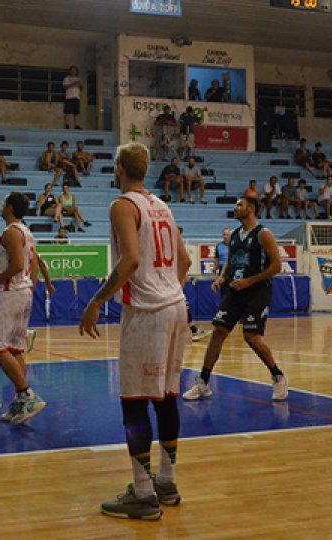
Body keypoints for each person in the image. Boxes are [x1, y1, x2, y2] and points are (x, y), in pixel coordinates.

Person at [79, 141, 191, 521]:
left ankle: (143, 494)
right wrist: (168, 288)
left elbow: (131, 259)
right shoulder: (164, 206)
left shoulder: (122, 205)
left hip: (148, 313)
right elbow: (186, 260)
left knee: (134, 402)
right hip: (177, 306)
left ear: (119, 169)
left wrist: (96, 300)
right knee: (167, 396)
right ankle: (167, 482)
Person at [183, 196, 289, 402]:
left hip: (257, 290)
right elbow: (230, 263)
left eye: (239, 205)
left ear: (251, 209)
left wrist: (249, 282)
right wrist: (222, 278)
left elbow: (276, 266)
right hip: (235, 289)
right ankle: (203, 382)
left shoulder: (263, 234)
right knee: (218, 332)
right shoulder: (233, 236)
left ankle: (278, 375)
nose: (235, 208)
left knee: (251, 336)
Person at [0, 192, 47, 424]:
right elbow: (35, 262)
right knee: (16, 349)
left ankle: (27, 394)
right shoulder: (26, 231)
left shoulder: (11, 232)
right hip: (23, 292)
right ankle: (20, 403)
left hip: (11, 293)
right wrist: (31, 288)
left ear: (9, 207)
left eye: (3, 202)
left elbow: (18, 264)